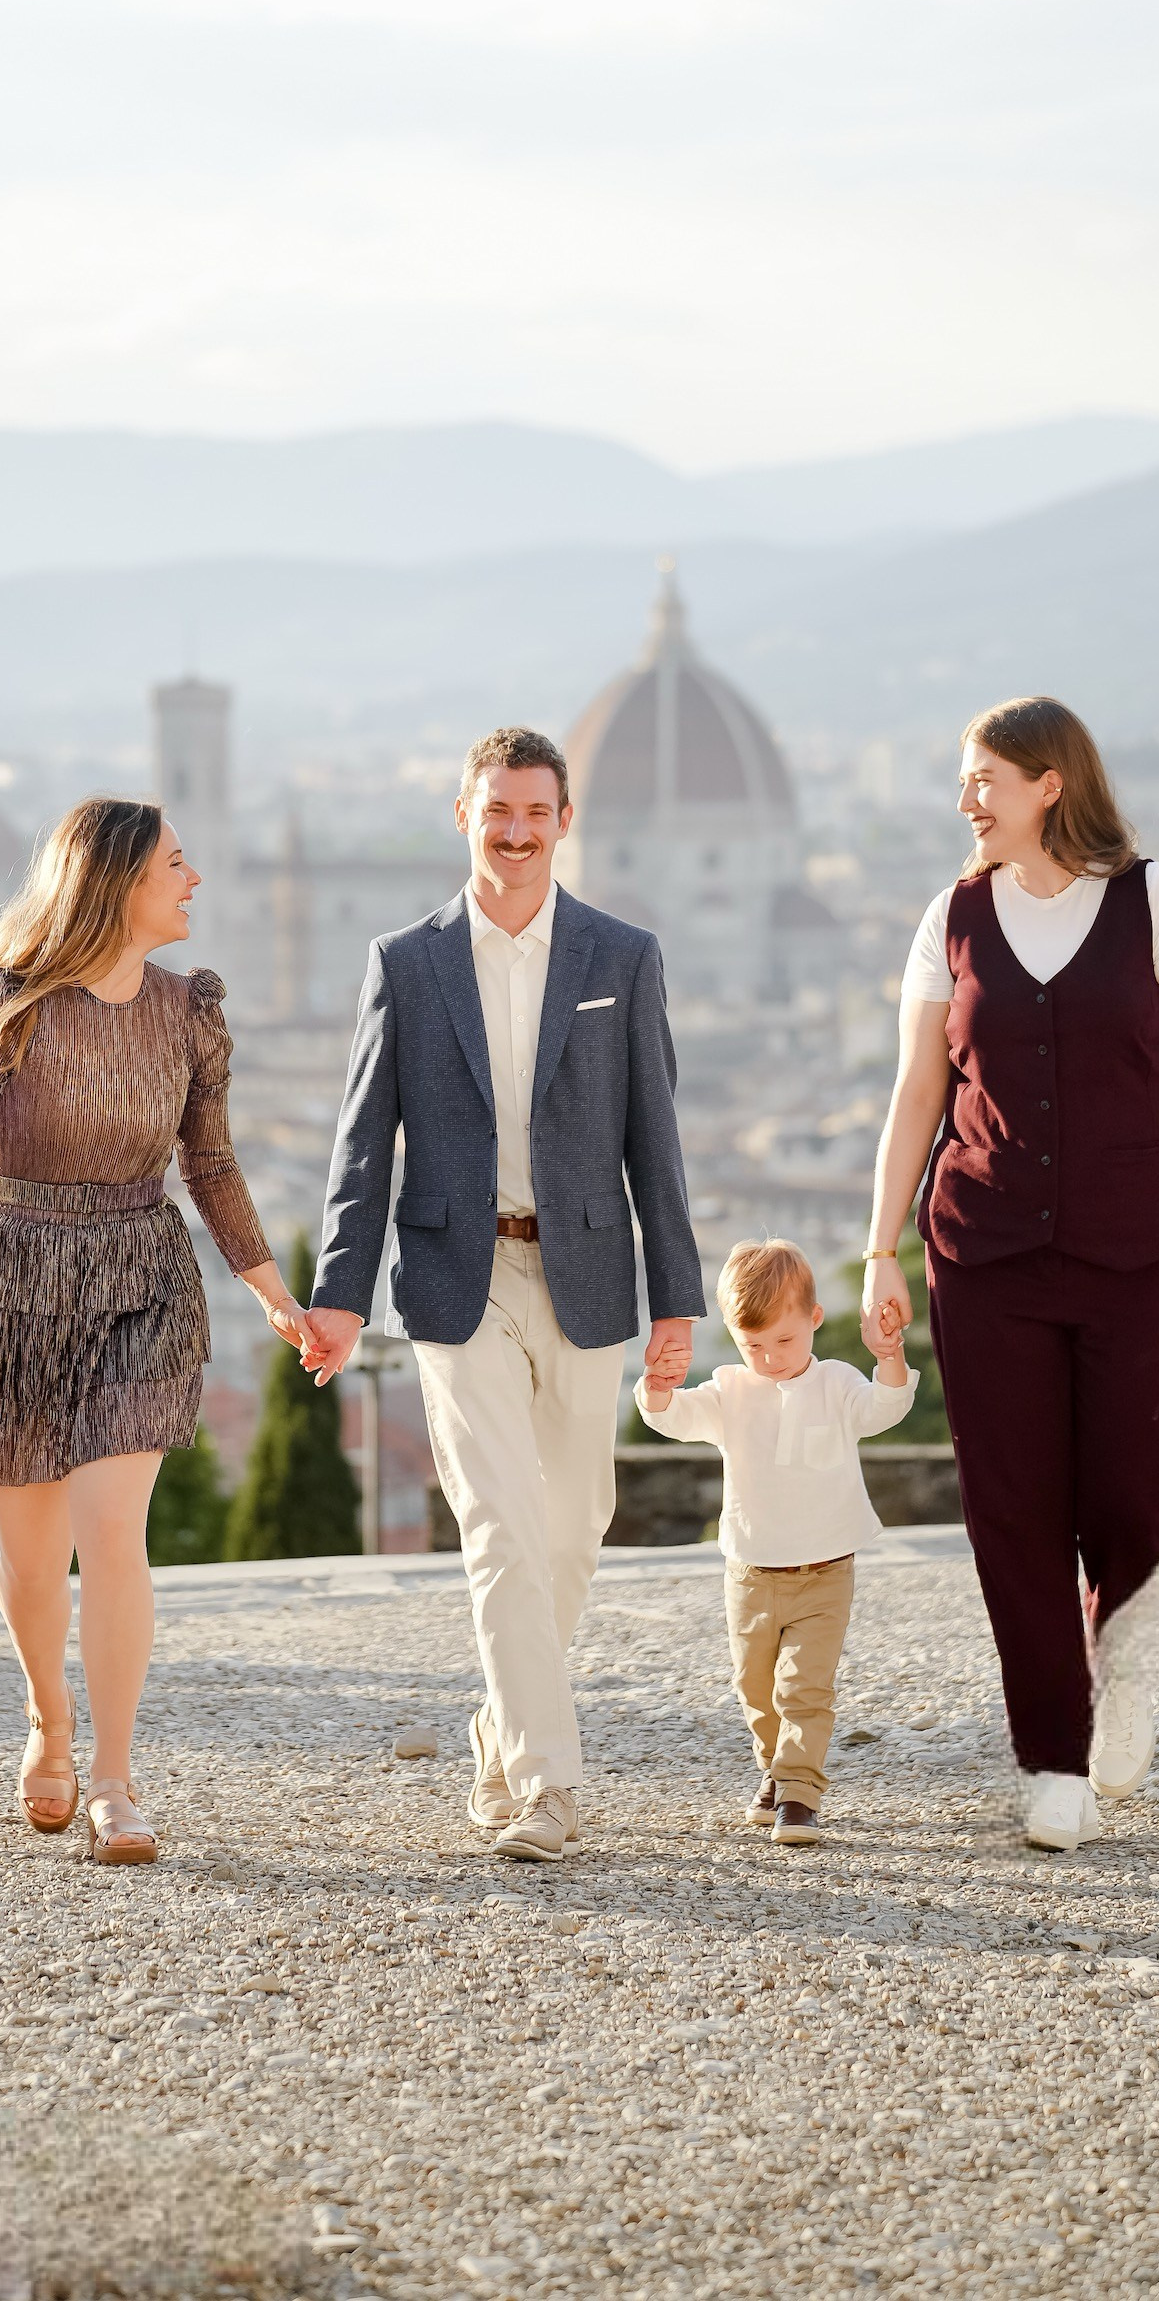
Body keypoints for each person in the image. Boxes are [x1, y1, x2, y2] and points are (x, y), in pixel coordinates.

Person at [0, 796, 301, 1866]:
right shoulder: (7, 1006)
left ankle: (117, 1780)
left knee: (111, 1533)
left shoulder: (189, 1009)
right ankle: (48, 1720)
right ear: (116, 884)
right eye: (176, 866)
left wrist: (274, 1296)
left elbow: (210, 1166)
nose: (194, 883)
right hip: (11, 1286)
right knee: (30, 1558)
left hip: (143, 1277)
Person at [860, 696, 1159, 1853]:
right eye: (964, 780)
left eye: (984, 778)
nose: (966, 799)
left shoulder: (1154, 900)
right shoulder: (947, 918)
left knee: (1131, 1489)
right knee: (1010, 1510)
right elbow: (917, 1096)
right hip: (984, 1252)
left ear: (1048, 782)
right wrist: (877, 1252)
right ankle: (1050, 1759)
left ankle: (1126, 1660)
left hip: (1140, 1251)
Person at [303, 725, 705, 1864]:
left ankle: (501, 1723)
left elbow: (654, 1140)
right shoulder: (406, 962)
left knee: (573, 1529)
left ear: (563, 821)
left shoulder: (620, 958)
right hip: (452, 1277)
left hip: (582, 1271)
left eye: (536, 813)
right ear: (463, 815)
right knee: (494, 1527)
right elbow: (359, 1150)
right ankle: (544, 1784)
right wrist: (338, 1293)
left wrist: (677, 1297)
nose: (516, 833)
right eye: (497, 812)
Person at [637, 1238, 917, 1845]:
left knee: (804, 1688)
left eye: (784, 1341)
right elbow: (673, 1418)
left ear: (814, 1319)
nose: (769, 1358)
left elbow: (887, 1408)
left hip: (824, 1571)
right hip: (749, 1573)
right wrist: (658, 1386)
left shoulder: (839, 1385)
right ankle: (775, 1768)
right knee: (756, 1691)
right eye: (753, 1345)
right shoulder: (731, 1390)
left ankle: (799, 1792)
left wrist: (888, 1356)